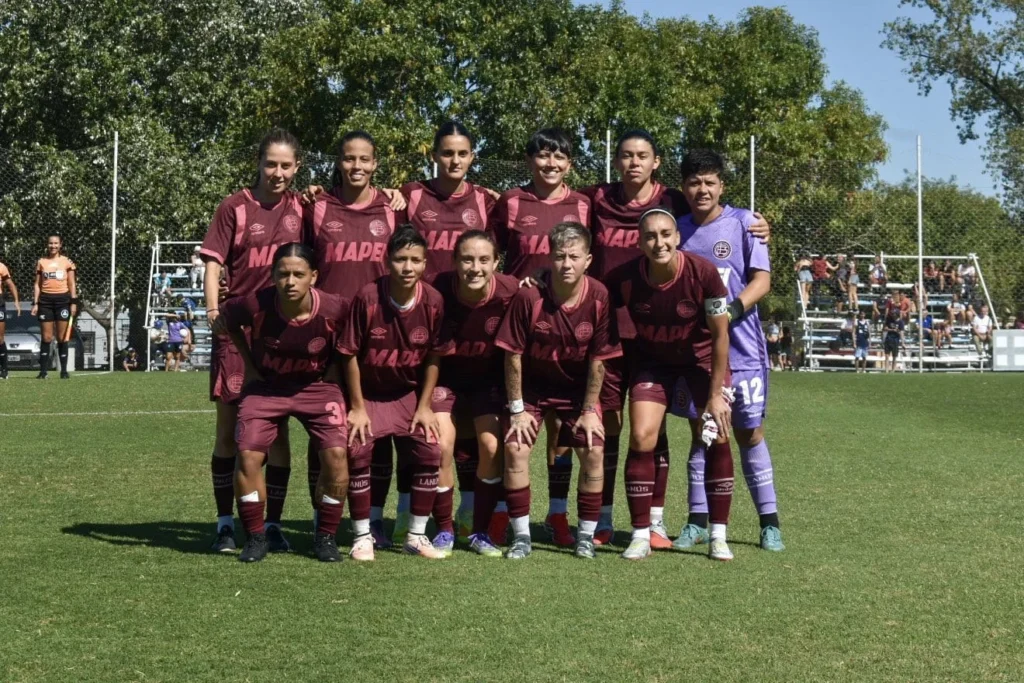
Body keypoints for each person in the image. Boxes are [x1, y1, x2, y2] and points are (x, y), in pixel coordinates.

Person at [303, 130, 410, 548]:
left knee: (376, 432)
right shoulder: (317, 206)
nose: (357, 167)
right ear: (339, 162)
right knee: (324, 429)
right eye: (349, 159)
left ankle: (375, 520)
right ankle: (321, 517)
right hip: (326, 335)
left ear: (376, 163)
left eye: (365, 159)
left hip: (375, 336)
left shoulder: (392, 208)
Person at [200, 128, 305, 553]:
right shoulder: (234, 207)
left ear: (296, 168)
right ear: (258, 164)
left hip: (281, 336)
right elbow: (213, 263)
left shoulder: (304, 206)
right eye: (270, 164)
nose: (277, 173)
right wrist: (212, 312)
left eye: (286, 166)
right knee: (228, 432)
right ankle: (225, 524)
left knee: (276, 434)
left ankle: (273, 524)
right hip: (236, 333)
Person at [607, 209, 733, 560]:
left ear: (677, 237)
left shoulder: (704, 273)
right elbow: (591, 297)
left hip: (702, 360)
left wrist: (715, 394)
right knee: (642, 435)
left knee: (717, 433)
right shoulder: (625, 278)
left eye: (665, 234)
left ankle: (718, 536)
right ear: (639, 241)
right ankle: (640, 534)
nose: (658, 242)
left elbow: (721, 333)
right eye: (650, 236)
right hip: (653, 362)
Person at [675, 149, 783, 552]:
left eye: (709, 182)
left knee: (749, 432)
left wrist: (730, 310)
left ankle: (769, 522)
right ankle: (696, 521)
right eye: (694, 182)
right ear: (683, 187)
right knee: (701, 432)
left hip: (742, 346)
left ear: (721, 185)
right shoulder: (677, 229)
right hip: (697, 351)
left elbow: (762, 280)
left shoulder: (745, 223)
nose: (702, 189)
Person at [215, 243, 351, 563]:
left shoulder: (335, 308)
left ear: (313, 277)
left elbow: (352, 335)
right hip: (267, 389)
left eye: (298, 274)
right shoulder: (255, 304)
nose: (290, 281)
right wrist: (248, 364)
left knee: (337, 456)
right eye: (283, 274)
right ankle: (257, 536)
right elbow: (227, 318)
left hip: (316, 389)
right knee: (247, 455)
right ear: (273, 276)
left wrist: (333, 370)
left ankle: (326, 537)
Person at [496, 221, 621, 560]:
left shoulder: (599, 296)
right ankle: (521, 536)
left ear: (588, 260)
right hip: (533, 388)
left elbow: (598, 360)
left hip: (577, 391)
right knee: (516, 447)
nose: (567, 264)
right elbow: (513, 355)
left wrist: (589, 411)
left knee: (594, 448)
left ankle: (585, 536)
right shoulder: (529, 295)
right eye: (560, 256)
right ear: (549, 257)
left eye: (574, 257)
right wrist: (518, 409)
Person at [492, 128, 592, 548]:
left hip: (568, 330)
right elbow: (490, 256)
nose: (550, 164)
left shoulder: (584, 204)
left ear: (570, 163)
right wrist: (518, 285)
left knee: (561, 434)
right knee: (511, 427)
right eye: (542, 156)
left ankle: (557, 514)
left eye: (559, 158)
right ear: (529, 160)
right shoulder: (511, 201)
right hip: (521, 326)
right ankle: (502, 513)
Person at [400, 123, 499, 548]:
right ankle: (433, 518)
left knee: (480, 438)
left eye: (462, 153)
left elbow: (499, 256)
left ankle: (473, 516)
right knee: (438, 437)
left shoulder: (486, 200)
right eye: (446, 153)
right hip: (430, 321)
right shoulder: (410, 196)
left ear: (472, 157)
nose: (454, 160)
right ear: (434, 155)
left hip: (476, 324)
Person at [337, 226, 447, 561]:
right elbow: (349, 354)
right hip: (368, 393)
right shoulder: (368, 297)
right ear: (388, 261)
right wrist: (356, 407)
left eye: (415, 260)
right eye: (401, 259)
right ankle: (362, 536)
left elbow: (434, 356)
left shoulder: (433, 301)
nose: (408, 267)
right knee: (359, 449)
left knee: (431, 448)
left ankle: (416, 535)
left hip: (407, 393)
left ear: (425, 264)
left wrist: (426, 405)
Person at [429, 230, 520, 556]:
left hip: (488, 383)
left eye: (484, 259)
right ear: (454, 261)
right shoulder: (438, 289)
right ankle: (444, 530)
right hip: (446, 380)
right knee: (439, 446)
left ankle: (480, 531)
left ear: (497, 262)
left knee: (491, 446)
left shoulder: (511, 291)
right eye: (467, 259)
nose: (475, 267)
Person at [31, 234, 77, 379]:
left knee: (62, 337)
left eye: (56, 243)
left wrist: (73, 302)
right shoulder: (41, 262)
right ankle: (43, 371)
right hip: (45, 301)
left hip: (62, 301)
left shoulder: (66, 262)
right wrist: (36, 303)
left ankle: (63, 371)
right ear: (47, 245)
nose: (53, 246)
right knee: (46, 337)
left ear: (60, 245)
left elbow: (72, 284)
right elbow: (37, 285)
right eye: (51, 243)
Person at [0, 260, 21, 380]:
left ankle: (4, 370)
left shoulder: (1, 266)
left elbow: (11, 285)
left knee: (0, 338)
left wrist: (16, 301)